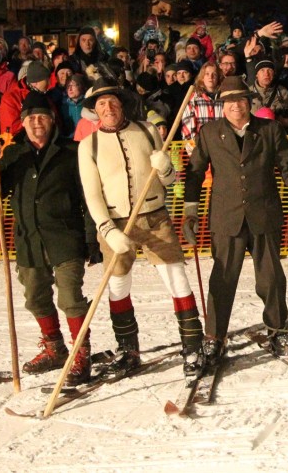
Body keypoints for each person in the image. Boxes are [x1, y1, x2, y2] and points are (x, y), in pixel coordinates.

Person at [77, 79, 207, 380]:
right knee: (118, 285)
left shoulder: (147, 131)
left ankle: (193, 345)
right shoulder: (89, 145)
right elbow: (92, 193)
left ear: (121, 104)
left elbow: (170, 180)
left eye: (112, 102)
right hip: (115, 223)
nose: (108, 108)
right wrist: (107, 230)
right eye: (101, 105)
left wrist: (164, 168)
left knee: (177, 278)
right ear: (95, 111)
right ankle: (127, 348)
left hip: (154, 217)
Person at [182, 76, 288, 359]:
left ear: (249, 102)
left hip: (263, 214)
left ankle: (277, 330)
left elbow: (287, 167)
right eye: (230, 101)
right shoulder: (209, 133)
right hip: (226, 217)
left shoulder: (269, 130)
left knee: (271, 278)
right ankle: (214, 336)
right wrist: (190, 211)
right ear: (222, 105)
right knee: (221, 279)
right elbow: (195, 173)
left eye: (241, 100)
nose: (236, 106)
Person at [0, 93, 95, 385]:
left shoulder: (71, 151)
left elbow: (88, 198)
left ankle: (81, 355)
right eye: (31, 118)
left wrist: (93, 240)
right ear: (23, 122)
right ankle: (55, 349)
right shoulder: (14, 155)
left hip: (65, 237)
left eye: (42, 117)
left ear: (52, 120)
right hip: (28, 239)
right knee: (35, 298)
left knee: (70, 298)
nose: (36, 123)